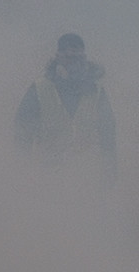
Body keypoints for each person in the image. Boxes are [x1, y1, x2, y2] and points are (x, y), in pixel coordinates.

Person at [14, 33, 117, 187]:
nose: (73, 63)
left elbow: (108, 137)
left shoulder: (97, 92)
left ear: (84, 58)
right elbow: (22, 133)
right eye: (68, 57)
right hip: (46, 179)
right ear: (58, 57)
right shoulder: (40, 88)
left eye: (77, 58)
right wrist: (22, 172)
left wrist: (110, 175)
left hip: (87, 181)